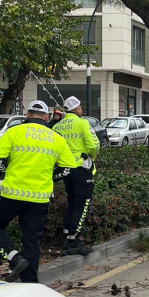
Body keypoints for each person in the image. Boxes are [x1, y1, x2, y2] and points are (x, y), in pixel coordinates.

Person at [0, 100, 79, 283]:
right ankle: (30, 285)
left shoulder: (14, 132)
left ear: (27, 115)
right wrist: (50, 177)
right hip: (39, 197)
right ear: (46, 117)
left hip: (11, 193)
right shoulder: (57, 138)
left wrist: (4, 174)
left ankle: (14, 257)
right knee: (32, 242)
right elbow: (68, 167)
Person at [53, 95, 100, 255]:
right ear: (77, 109)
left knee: (72, 203)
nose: (81, 109)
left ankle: (66, 237)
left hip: (65, 170)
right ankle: (74, 241)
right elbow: (94, 145)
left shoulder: (57, 127)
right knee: (82, 206)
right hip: (81, 169)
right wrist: (91, 157)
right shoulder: (82, 123)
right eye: (80, 107)